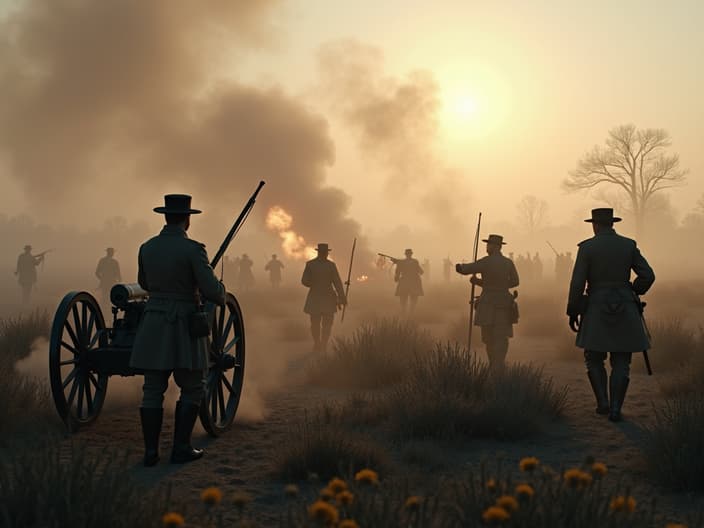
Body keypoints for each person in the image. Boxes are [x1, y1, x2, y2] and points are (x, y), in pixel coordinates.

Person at [130, 194, 225, 466]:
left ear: (165, 217)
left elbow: (144, 282)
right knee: (193, 386)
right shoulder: (194, 249)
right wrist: (221, 291)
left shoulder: (147, 247)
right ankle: (181, 448)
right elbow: (210, 289)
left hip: (154, 322)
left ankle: (151, 452)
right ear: (187, 219)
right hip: (184, 320)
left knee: (152, 388)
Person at [567, 208, 655, 422]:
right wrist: (634, 289)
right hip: (625, 304)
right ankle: (616, 408)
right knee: (622, 359)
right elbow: (648, 275)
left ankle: (603, 403)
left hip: (596, 304)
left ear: (595, 225)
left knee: (594, 356)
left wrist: (573, 309)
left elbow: (578, 282)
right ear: (612, 224)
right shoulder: (628, 245)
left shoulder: (587, 248)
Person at [456, 234, 519, 371]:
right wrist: (499, 286)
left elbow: (466, 269)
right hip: (504, 303)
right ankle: (498, 365)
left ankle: (494, 365)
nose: (487, 247)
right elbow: (515, 282)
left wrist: (460, 268)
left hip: (487, 305)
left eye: (489, 244)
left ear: (495, 246)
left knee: (489, 338)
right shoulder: (508, 263)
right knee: (501, 338)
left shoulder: (486, 261)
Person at [301, 243, 346, 353]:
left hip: (315, 297)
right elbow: (337, 283)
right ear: (325, 253)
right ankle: (322, 344)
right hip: (328, 297)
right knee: (326, 324)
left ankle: (318, 344)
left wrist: (314, 284)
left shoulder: (310, 264)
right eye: (325, 252)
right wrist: (342, 297)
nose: (325, 254)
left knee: (315, 323)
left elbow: (304, 281)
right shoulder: (331, 265)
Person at [394, 249, 424, 314]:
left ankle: (404, 312)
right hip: (414, 281)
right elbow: (421, 272)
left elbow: (397, 273)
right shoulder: (415, 261)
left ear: (405, 254)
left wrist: (396, 278)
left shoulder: (401, 262)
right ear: (411, 254)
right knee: (414, 298)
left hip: (404, 280)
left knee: (403, 298)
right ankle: (411, 312)